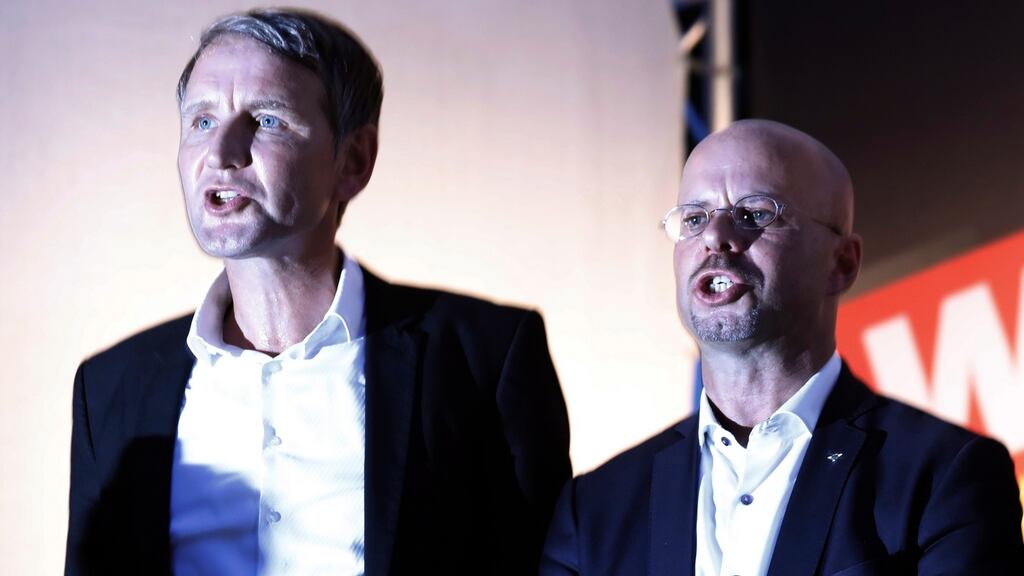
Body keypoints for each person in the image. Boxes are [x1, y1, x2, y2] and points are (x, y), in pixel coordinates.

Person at [65, 9, 570, 575]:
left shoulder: (484, 362)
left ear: (353, 161)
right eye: (202, 121)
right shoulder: (109, 390)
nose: (223, 151)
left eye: (267, 120)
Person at [540, 119, 1023, 575]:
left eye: (753, 214)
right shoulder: (595, 510)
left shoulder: (942, 478)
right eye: (693, 219)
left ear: (842, 262)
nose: (715, 236)